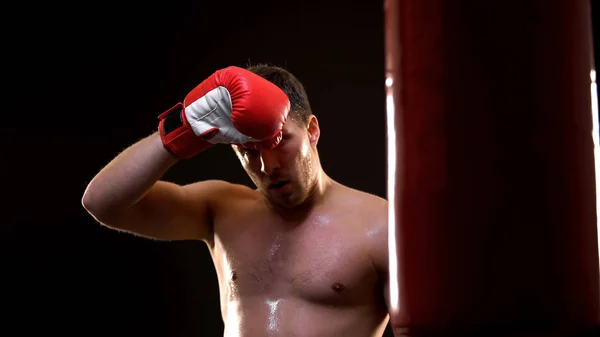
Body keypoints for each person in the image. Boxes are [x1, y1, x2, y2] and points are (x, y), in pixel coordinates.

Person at [81, 64, 391, 337]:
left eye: (281, 141)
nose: (268, 167)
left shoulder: (381, 225)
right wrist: (184, 127)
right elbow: (102, 202)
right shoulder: (220, 208)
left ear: (312, 130)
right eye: (250, 151)